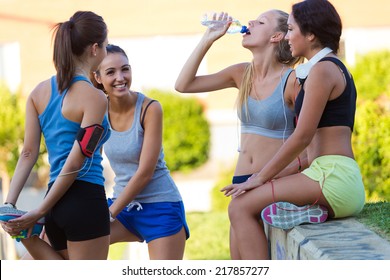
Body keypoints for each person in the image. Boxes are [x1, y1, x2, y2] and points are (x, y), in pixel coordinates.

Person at [221, 0, 366, 259]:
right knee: (248, 199)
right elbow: (310, 150)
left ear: (310, 34)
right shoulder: (328, 68)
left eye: (290, 29)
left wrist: (260, 178)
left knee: (240, 207)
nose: (287, 37)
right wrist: (275, 178)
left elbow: (302, 136)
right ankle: (306, 210)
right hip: (332, 177)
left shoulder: (322, 70)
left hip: (332, 178)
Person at [175, 10, 302, 259]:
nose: (251, 22)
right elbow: (184, 85)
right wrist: (209, 37)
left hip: (274, 182)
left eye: (261, 21)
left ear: (277, 36)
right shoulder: (241, 73)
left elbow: (307, 144)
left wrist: (267, 178)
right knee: (239, 263)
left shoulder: (293, 80)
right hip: (242, 181)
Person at [0, 11, 111, 260]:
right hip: (84, 199)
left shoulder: (38, 93)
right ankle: (28, 230)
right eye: (105, 45)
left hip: (55, 203)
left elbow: (28, 153)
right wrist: (39, 210)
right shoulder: (95, 97)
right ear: (95, 49)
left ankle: (27, 233)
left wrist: (10, 203)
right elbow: (77, 160)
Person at [92, 44, 189, 260]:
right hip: (123, 207)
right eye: (111, 72)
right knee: (63, 246)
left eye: (125, 69)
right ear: (97, 78)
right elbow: (82, 160)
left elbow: (145, 172)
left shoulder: (150, 108)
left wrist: (108, 214)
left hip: (160, 206)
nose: (120, 77)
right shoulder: (97, 110)